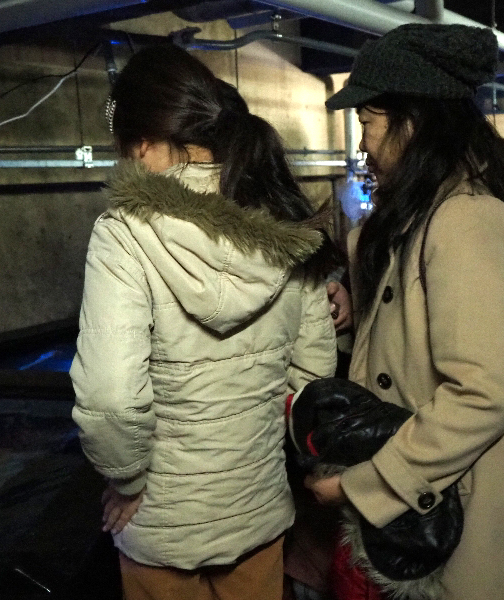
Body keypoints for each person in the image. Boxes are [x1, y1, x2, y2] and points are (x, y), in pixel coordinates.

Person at [307, 23, 504, 600]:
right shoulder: (420, 218)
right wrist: (362, 309)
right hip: (425, 507)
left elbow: (481, 393)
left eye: (368, 125)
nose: (362, 146)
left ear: (413, 123)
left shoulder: (467, 221)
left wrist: (361, 485)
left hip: (462, 510)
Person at [70, 44, 339, 600]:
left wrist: (128, 481)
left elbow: (111, 397)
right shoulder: (284, 223)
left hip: (162, 530)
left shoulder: (124, 234)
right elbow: (313, 380)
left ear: (142, 143)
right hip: (259, 519)